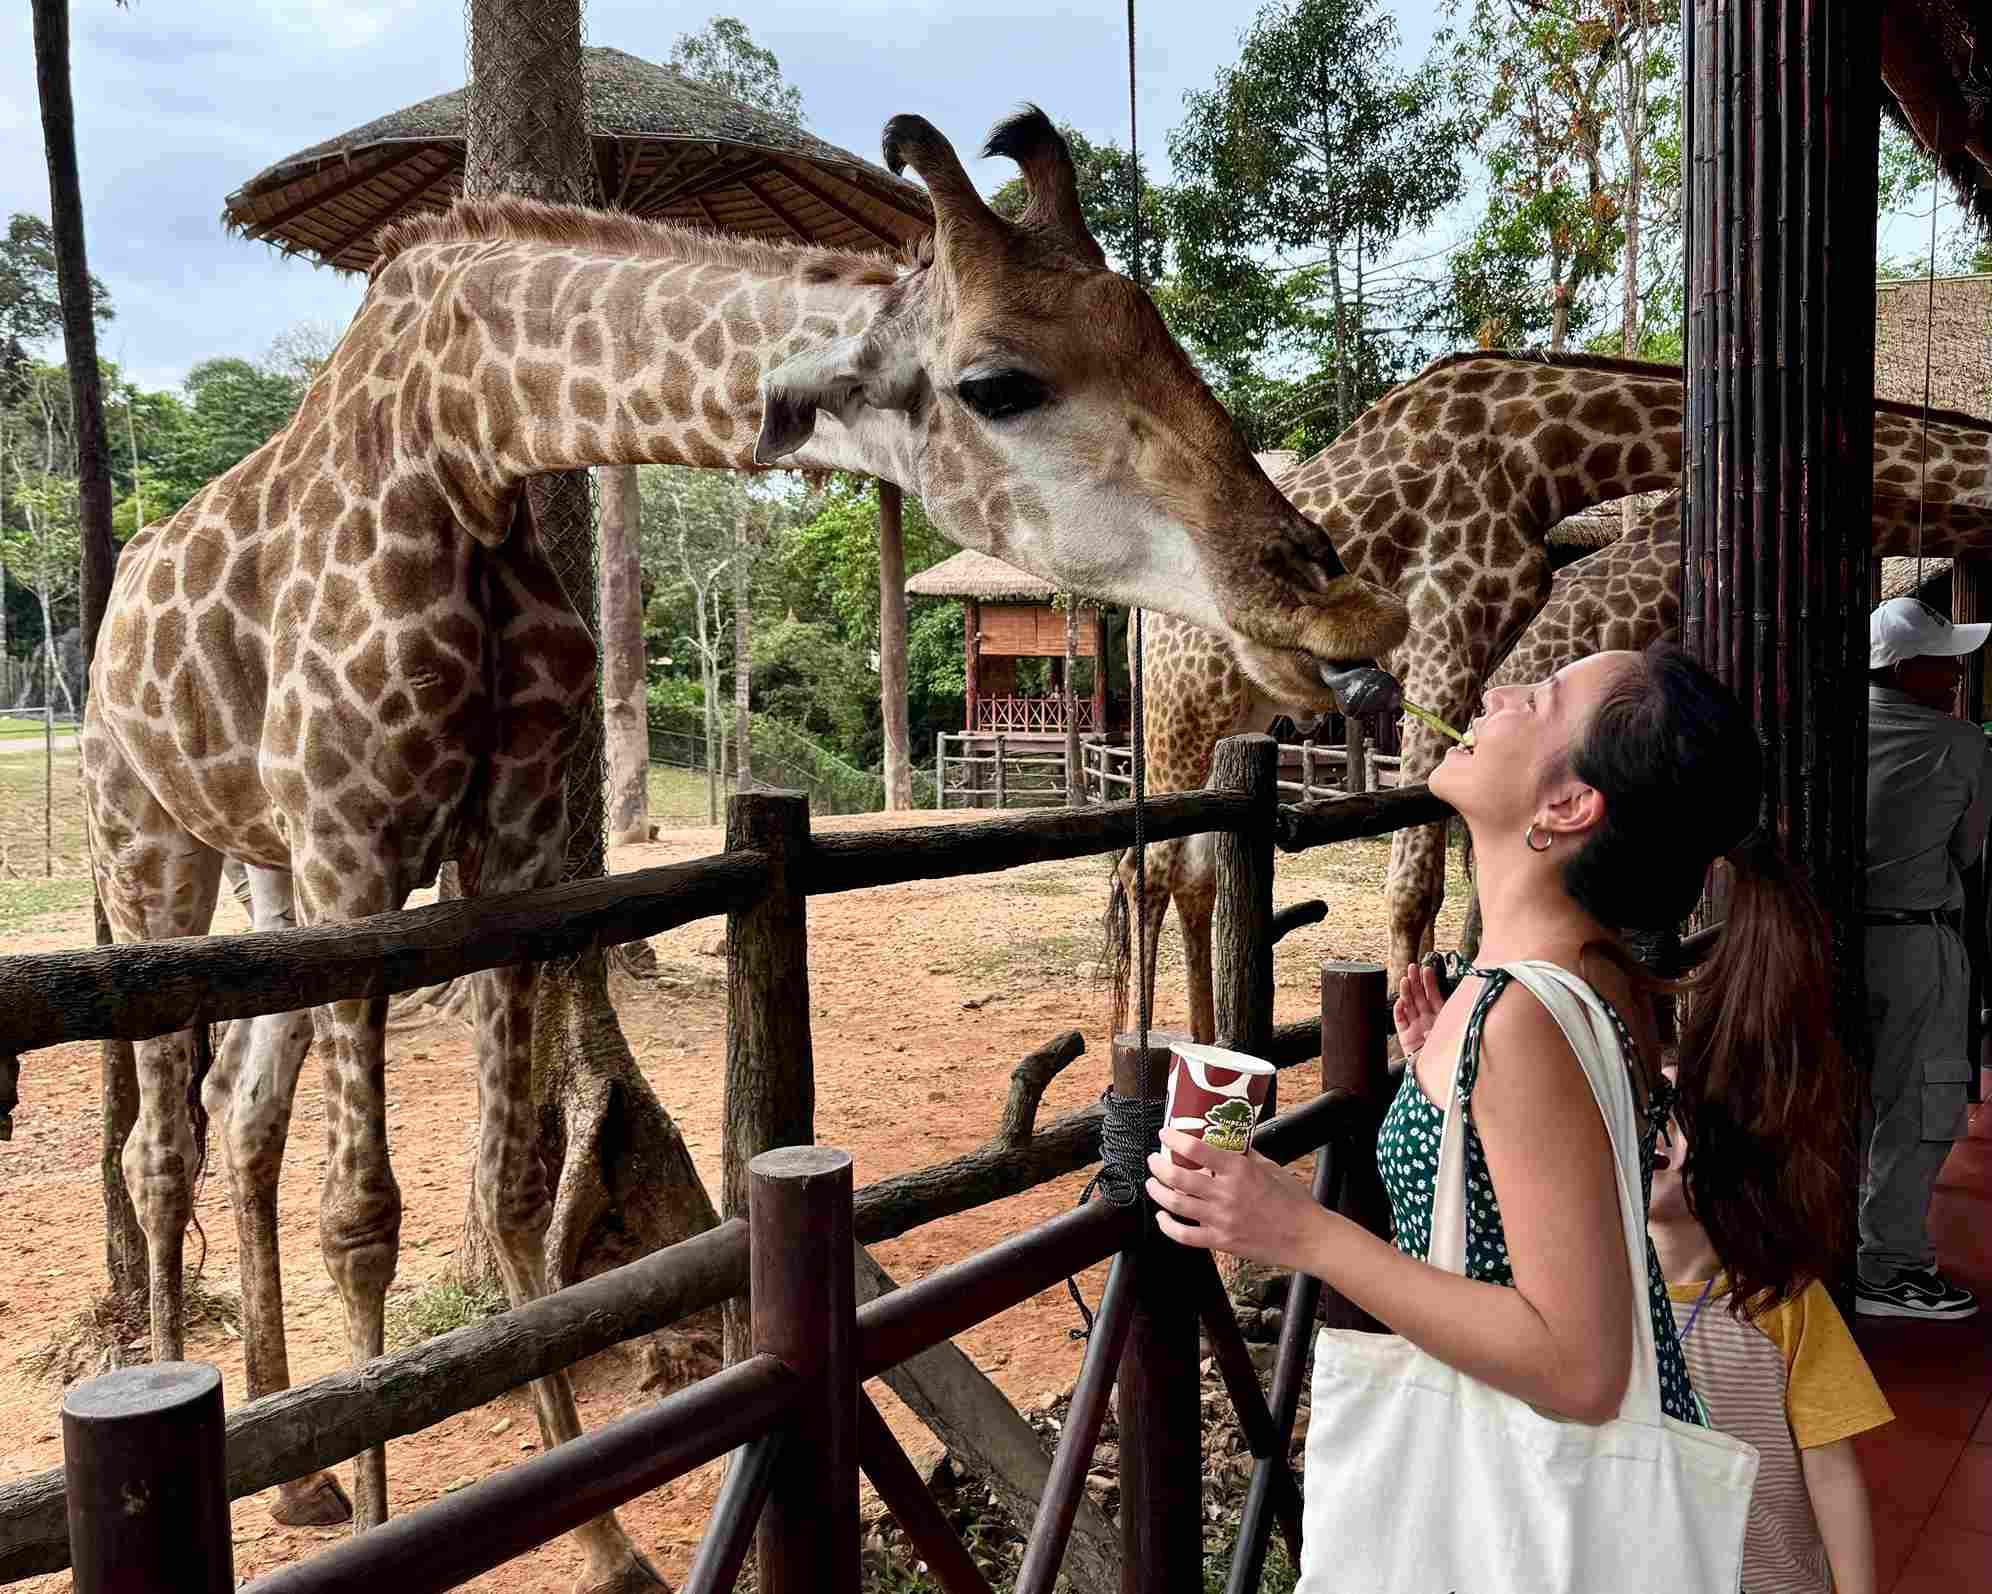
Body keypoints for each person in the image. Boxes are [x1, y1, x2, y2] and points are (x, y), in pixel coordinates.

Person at [1146, 644, 1846, 1515]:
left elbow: (1582, 1370)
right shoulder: (1578, 979)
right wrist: (1452, 1075)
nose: (1503, 691)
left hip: (1528, 1502)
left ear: (1568, 804)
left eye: (1543, 699)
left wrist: (1299, 1231)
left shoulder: (1524, 1020)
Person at [1652, 1067, 1892, 1594]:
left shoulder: (1784, 1301)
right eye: (1649, 1108)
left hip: (1774, 1581)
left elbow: (1829, 1466)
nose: (1654, 1125)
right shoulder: (1599, 1290)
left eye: (1678, 1114)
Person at [1859, 596, 1990, 1320]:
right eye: (1947, 662)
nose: (1959, 672)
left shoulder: (1833, 732)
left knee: (1848, 1100)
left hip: (1835, 943)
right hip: (1917, 943)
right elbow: (1967, 852)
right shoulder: (1961, 744)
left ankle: (1841, 1245)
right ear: (1907, 669)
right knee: (1922, 1104)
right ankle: (1890, 1265)